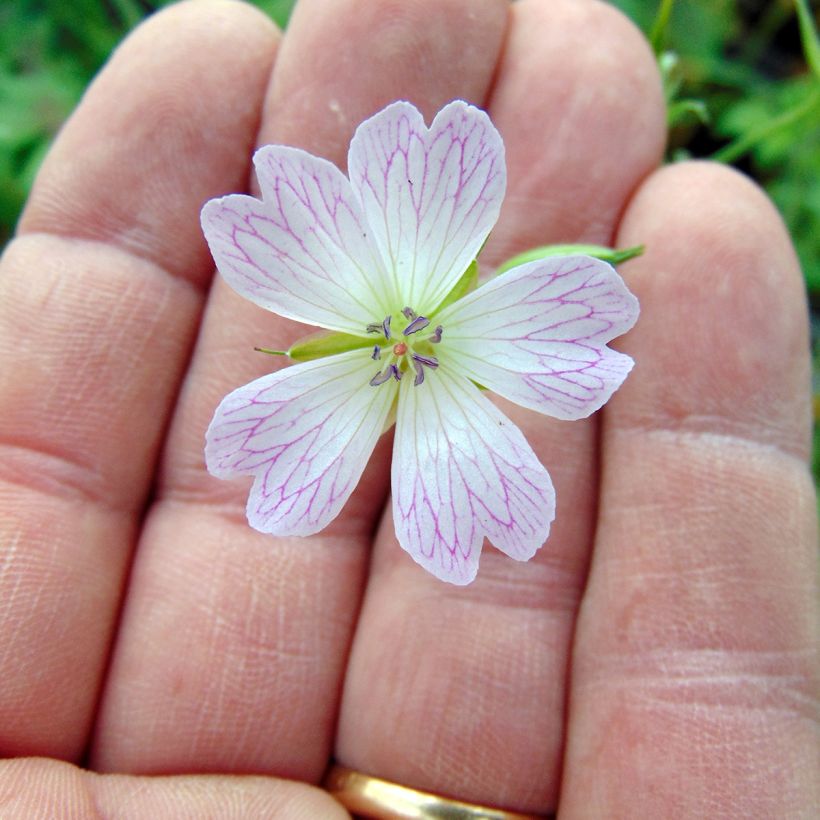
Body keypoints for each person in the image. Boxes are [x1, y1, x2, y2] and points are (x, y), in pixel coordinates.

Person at [0, 0, 816, 816]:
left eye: (401, 344)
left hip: (448, 339)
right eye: (394, 345)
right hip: (421, 347)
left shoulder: (426, 332)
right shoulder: (389, 342)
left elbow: (446, 342)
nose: (398, 347)